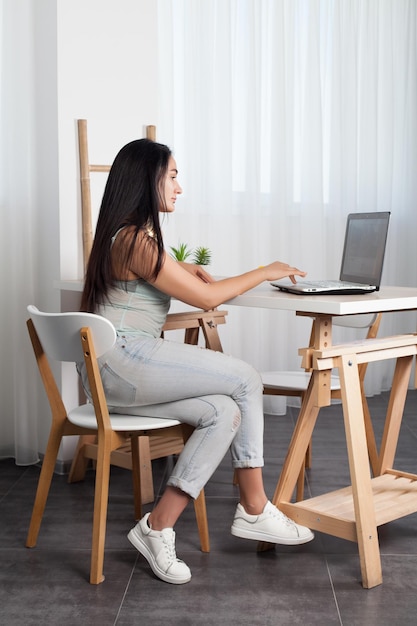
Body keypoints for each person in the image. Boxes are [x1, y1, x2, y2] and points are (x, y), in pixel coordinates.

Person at [78, 138, 314, 585]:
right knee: (245, 378)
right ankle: (255, 507)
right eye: (172, 176)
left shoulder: (130, 236)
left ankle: (157, 526)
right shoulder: (132, 239)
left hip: (118, 371)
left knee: (222, 411)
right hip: (122, 362)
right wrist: (265, 270)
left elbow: (160, 275)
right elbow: (206, 299)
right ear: (146, 180)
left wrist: (181, 267)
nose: (179, 187)